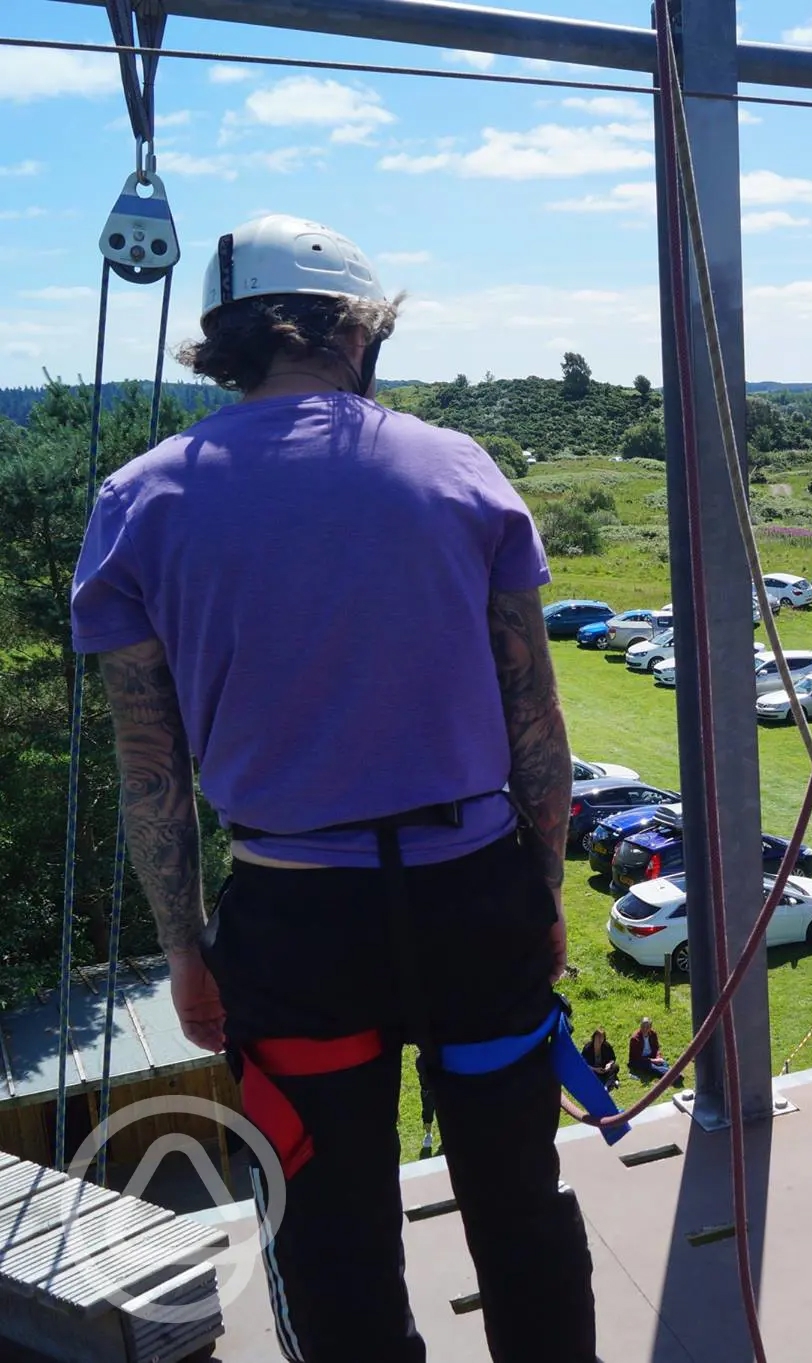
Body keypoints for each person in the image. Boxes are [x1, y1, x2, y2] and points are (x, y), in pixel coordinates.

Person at [72, 214, 597, 1361]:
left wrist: (187, 947)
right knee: (518, 1205)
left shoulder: (141, 501)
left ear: (224, 345)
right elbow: (534, 720)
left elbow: (148, 765)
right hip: (473, 895)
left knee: (331, 1235)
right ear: (356, 329)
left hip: (295, 917)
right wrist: (544, 888)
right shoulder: (455, 466)